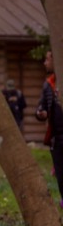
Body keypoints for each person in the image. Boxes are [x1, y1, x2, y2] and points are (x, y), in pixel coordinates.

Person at [35, 50, 63, 207]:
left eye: (47, 60)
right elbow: (41, 107)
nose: (45, 63)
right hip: (57, 138)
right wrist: (41, 113)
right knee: (61, 175)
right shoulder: (48, 84)